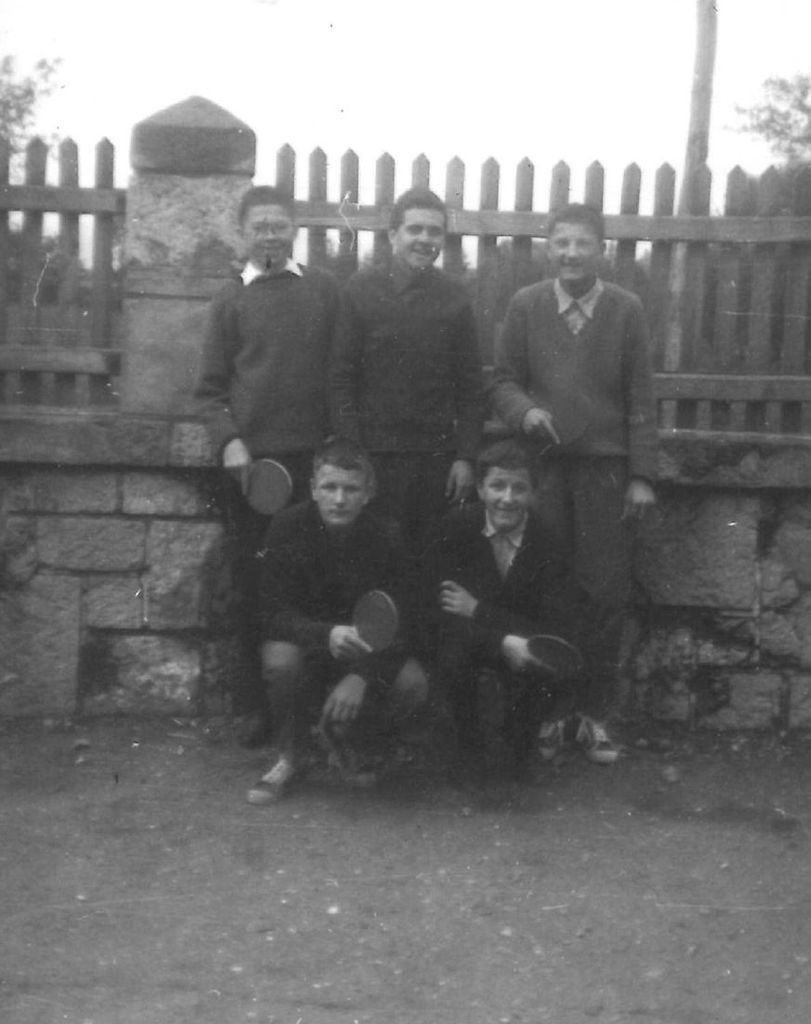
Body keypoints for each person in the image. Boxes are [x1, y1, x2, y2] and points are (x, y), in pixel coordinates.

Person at [490, 203, 657, 761]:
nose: (570, 253)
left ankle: (595, 715)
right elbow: (503, 381)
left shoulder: (626, 310)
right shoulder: (526, 305)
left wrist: (641, 475)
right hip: (546, 469)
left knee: (604, 595)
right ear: (549, 247)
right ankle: (551, 713)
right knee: (550, 590)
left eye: (582, 243)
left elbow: (640, 395)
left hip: (606, 472)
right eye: (561, 242)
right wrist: (526, 413)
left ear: (600, 250)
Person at [195, 186, 340, 745]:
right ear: (244, 233)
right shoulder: (229, 299)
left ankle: (320, 706)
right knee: (254, 584)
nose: (271, 235)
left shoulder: (324, 291)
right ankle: (260, 709)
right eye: (260, 227)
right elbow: (209, 392)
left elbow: (342, 374)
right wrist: (230, 442)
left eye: (280, 225)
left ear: (295, 229)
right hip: (252, 470)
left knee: (321, 582)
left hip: (315, 466)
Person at [249, 438, 429, 804]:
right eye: (330, 487)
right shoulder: (286, 526)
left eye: (351, 489)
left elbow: (406, 620)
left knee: (412, 684)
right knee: (281, 663)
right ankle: (291, 755)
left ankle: (356, 740)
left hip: (363, 649)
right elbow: (270, 612)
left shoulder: (386, 535)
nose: (340, 499)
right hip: (308, 641)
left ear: (369, 493)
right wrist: (325, 634)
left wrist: (362, 675)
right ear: (313, 489)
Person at [329, 186, 484, 554]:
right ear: (393, 235)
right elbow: (340, 376)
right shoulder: (360, 290)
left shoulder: (455, 297)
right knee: (373, 554)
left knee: (428, 555)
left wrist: (465, 457)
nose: (424, 239)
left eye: (434, 232)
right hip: (375, 455)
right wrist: (354, 454)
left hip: (435, 458)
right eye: (415, 229)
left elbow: (470, 385)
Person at [424, 440, 587, 778]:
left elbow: (555, 628)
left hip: (525, 642)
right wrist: (500, 641)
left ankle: (520, 745)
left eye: (519, 488)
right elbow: (442, 614)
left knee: (545, 661)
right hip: (472, 640)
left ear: (533, 494)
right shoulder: (455, 528)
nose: (507, 498)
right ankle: (467, 746)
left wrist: (479, 610)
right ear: (481, 489)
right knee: (452, 657)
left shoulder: (549, 543)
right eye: (497, 486)